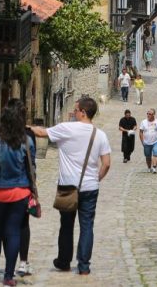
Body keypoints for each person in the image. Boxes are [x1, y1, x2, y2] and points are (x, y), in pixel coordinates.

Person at [31, 97, 111, 276]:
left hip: (68, 186)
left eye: (76, 110)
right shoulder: (100, 135)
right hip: (90, 187)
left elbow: (41, 133)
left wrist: (24, 127)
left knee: (66, 225)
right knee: (87, 225)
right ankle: (84, 266)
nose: (74, 113)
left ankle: (64, 261)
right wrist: (96, 178)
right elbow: (106, 163)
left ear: (83, 112)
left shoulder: (66, 128)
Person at [0, 103, 37, 286]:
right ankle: (9, 276)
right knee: (13, 234)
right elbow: (31, 168)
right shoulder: (27, 141)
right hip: (20, 192)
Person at [5, 99, 37, 278]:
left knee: (3, 228)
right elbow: (31, 165)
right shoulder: (28, 136)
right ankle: (23, 263)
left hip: (0, 188)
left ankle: (6, 265)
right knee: (23, 225)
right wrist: (33, 188)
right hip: (22, 186)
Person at [138, 108, 157, 173]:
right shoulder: (143, 122)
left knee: (156, 153)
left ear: (153, 115)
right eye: (147, 113)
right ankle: (149, 167)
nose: (148, 115)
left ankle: (154, 167)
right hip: (147, 142)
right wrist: (142, 141)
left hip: (156, 141)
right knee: (148, 156)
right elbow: (141, 132)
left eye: (150, 114)